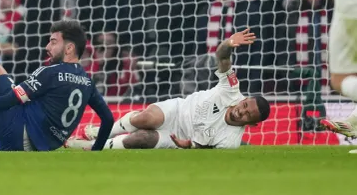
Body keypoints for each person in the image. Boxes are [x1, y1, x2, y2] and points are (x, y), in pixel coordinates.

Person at [65, 29, 270, 150]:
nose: (241, 110)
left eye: (247, 115)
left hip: (177, 137)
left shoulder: (231, 141)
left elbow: (204, 150)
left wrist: (187, 145)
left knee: (141, 138)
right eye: (245, 105)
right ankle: (101, 132)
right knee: (145, 119)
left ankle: (91, 146)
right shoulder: (232, 90)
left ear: (251, 124)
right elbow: (223, 57)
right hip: (178, 110)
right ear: (243, 99)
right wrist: (229, 43)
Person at [0, 21, 114, 151]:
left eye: (53, 42)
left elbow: (10, 100)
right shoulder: (88, 82)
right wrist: (96, 149)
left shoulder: (51, 72)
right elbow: (108, 119)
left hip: (16, 137)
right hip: (41, 144)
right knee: (21, 111)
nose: (47, 47)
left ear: (69, 48)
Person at [306, 0, 357, 143]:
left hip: (349, 9)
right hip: (348, 2)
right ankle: (354, 122)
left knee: (339, 79)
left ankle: (354, 123)